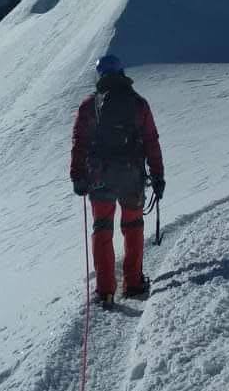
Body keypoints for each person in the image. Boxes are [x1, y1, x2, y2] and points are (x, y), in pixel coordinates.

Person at [70, 54, 165, 307]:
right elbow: (151, 141)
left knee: (102, 228)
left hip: (100, 176)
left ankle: (105, 290)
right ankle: (133, 283)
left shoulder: (89, 105)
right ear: (122, 73)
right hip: (131, 176)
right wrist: (158, 176)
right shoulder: (138, 104)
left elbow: (80, 142)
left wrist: (77, 175)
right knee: (132, 227)